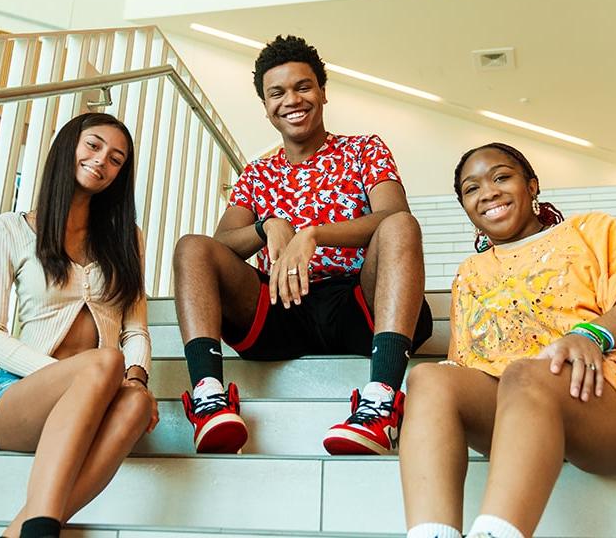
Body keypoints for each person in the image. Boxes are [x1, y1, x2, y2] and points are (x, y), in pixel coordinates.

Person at [399, 142, 616, 538]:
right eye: (472, 189)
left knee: (525, 374)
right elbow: (465, 366)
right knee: (429, 379)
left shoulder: (594, 230)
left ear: (532, 186)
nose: (489, 193)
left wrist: (592, 334)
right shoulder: (471, 272)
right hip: (522, 413)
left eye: (502, 177)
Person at [172, 35, 433, 456]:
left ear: (323, 92)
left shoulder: (364, 149)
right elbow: (218, 247)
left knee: (402, 225)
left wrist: (313, 233)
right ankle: (209, 399)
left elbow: (390, 216)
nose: (291, 99)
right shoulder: (257, 174)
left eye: (303, 86)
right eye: (277, 92)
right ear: (265, 105)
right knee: (191, 247)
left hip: (358, 306)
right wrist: (267, 226)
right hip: (280, 310)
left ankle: (381, 403)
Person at [0, 112, 158, 538]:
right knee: (104, 362)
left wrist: (135, 378)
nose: (102, 161)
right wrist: (71, 375)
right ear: (69, 148)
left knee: (135, 402)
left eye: (116, 159)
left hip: (104, 392)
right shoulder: (10, 228)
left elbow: (135, 329)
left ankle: (29, 528)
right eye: (93, 146)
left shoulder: (128, 238)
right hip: (20, 399)